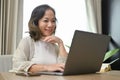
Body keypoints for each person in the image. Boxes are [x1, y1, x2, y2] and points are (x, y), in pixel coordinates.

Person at [10, 4, 68, 73]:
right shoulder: (27, 42)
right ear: (36, 22)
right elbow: (17, 64)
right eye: (46, 21)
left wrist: (60, 43)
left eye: (53, 21)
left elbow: (64, 67)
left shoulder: (55, 46)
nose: (50, 25)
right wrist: (47, 67)